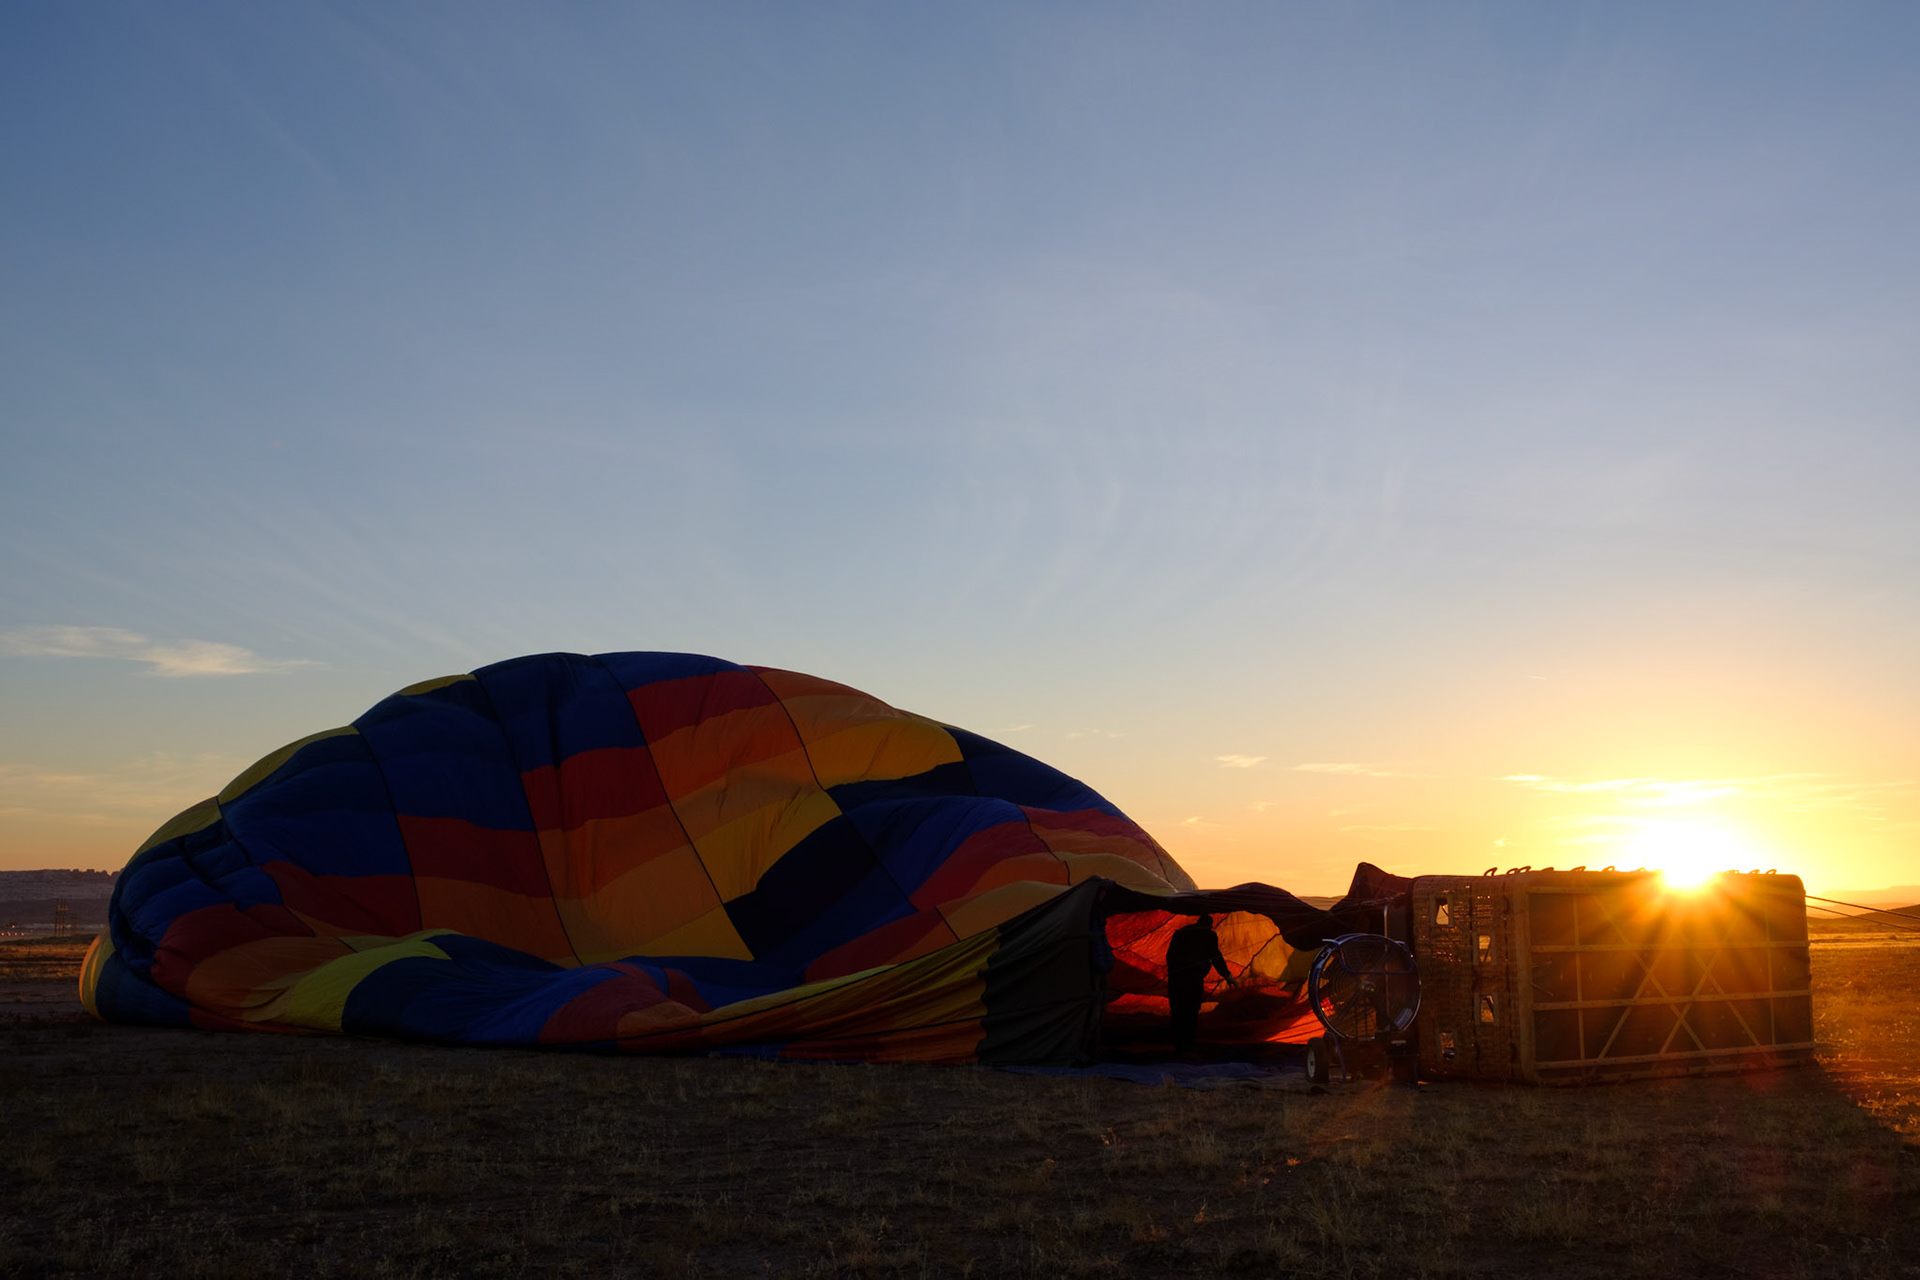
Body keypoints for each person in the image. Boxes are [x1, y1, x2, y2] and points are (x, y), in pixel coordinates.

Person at [1166, 914, 1235, 1054]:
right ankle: (1187, 1044)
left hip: (1176, 978)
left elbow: (1169, 956)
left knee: (1178, 1010)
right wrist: (1227, 975)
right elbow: (1216, 957)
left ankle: (1178, 1044)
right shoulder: (1208, 935)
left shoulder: (1180, 933)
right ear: (1209, 925)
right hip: (1193, 978)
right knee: (1191, 1010)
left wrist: (1174, 972)